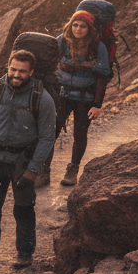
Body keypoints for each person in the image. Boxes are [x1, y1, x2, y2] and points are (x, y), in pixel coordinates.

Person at [0, 50, 57, 269]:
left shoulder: (42, 98)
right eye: (13, 69)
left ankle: (25, 253)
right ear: (8, 67)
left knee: (24, 208)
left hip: (23, 162)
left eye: (22, 71)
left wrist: (33, 170)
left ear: (32, 72)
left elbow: (47, 137)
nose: (16, 75)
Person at [54, 10, 110, 187]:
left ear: (89, 28)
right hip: (62, 94)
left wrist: (97, 105)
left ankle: (73, 170)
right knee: (51, 131)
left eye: (83, 26)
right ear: (70, 25)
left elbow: (103, 76)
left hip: (85, 97)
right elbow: (50, 64)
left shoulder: (97, 46)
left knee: (79, 133)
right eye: (75, 25)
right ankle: (41, 169)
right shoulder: (61, 41)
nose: (78, 29)